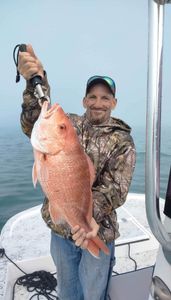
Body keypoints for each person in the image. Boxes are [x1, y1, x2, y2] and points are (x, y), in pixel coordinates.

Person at [18, 44, 136, 300]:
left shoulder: (123, 141)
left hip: (97, 230)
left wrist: (86, 219)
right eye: (92, 97)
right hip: (61, 232)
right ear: (84, 100)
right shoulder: (67, 124)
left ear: (114, 103)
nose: (98, 103)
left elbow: (116, 188)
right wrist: (34, 81)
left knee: (94, 293)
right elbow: (34, 119)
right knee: (69, 292)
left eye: (105, 98)